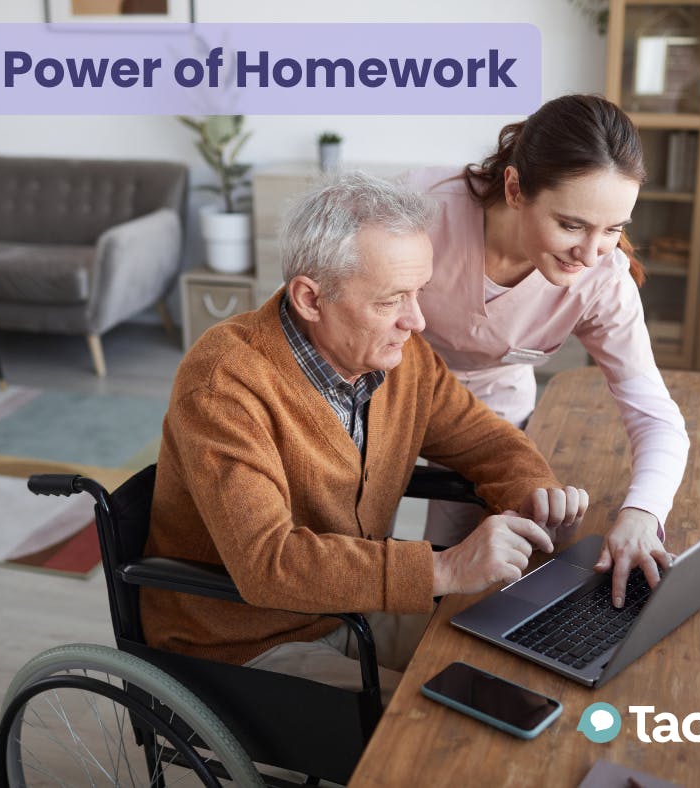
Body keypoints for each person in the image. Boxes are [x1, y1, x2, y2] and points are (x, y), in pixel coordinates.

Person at [140, 172, 588, 701]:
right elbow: (269, 564)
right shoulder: (224, 381)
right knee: (445, 720)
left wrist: (535, 489)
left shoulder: (400, 359)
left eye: (419, 292)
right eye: (391, 300)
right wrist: (444, 568)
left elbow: (482, 439)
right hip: (246, 640)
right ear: (310, 298)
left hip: (352, 608)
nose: (416, 321)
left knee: (526, 656)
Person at [403, 94, 690, 609]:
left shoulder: (601, 281)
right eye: (572, 224)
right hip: (385, 395)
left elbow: (655, 416)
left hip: (490, 417)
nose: (590, 253)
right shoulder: (420, 211)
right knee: (357, 541)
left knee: (465, 579)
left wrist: (643, 514)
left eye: (614, 228)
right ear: (515, 188)